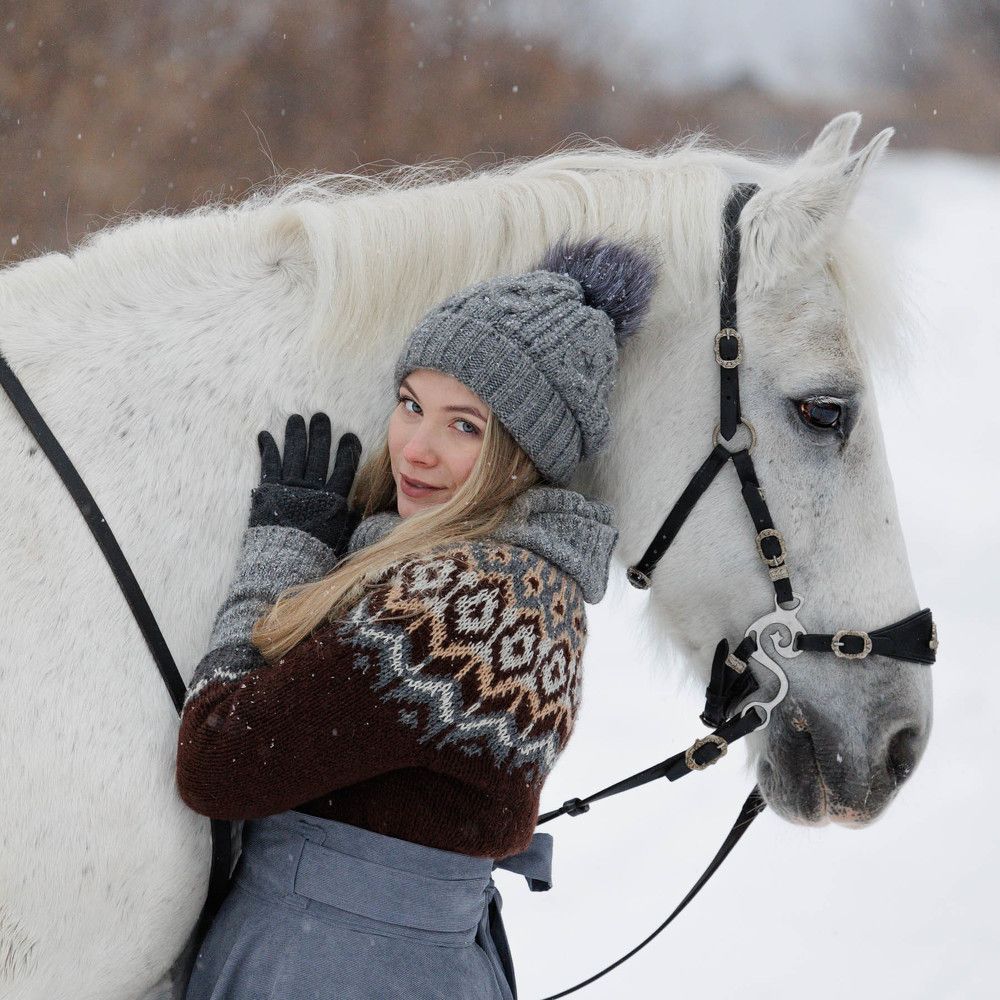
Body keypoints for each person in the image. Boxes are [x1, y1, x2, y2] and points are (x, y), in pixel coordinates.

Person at [176, 235, 658, 1000]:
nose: (416, 450)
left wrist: (281, 561)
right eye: (411, 405)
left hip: (333, 969)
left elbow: (218, 763)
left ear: (523, 455)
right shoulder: (515, 579)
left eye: (464, 426)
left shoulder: (471, 609)